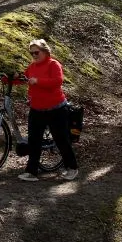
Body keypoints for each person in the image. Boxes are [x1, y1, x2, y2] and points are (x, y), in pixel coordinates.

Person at [19, 39, 79, 181]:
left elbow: (58, 81)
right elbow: (24, 77)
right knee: (34, 141)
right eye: (31, 53)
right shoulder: (32, 66)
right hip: (36, 109)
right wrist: (10, 78)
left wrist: (38, 81)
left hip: (55, 109)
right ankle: (32, 172)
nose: (34, 55)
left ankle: (72, 168)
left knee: (61, 140)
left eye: (36, 52)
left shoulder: (53, 64)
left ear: (45, 51)